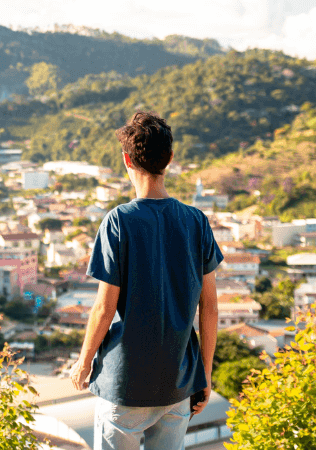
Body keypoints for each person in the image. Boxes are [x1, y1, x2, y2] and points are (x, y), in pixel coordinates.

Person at [71, 111, 222, 450]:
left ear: (126, 159)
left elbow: (104, 308)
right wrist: (206, 375)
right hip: (177, 384)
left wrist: (83, 364)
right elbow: (210, 308)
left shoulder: (118, 222)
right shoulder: (196, 222)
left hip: (124, 385)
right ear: (170, 158)